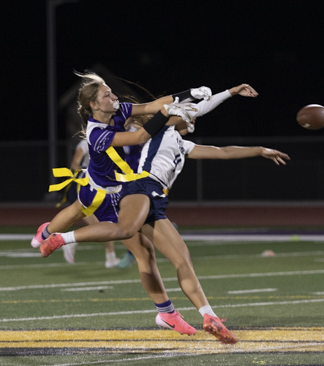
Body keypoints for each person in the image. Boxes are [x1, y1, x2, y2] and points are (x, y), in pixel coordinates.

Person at [42, 82, 288, 344]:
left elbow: (222, 152)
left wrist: (260, 149)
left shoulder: (181, 144)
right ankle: (60, 238)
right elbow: (188, 110)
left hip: (156, 199)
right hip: (138, 188)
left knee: (181, 258)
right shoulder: (157, 130)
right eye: (185, 116)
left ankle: (209, 316)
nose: (191, 120)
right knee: (125, 231)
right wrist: (220, 96)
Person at [35, 71, 207, 335]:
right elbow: (140, 137)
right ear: (94, 104)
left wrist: (190, 93)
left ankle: (167, 314)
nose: (114, 96)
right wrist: (168, 111)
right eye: (107, 94)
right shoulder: (96, 133)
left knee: (144, 253)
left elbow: (151, 105)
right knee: (86, 214)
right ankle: (51, 236)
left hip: (122, 189)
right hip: (103, 193)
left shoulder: (119, 111)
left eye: (112, 92)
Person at [59, 138, 120, 268]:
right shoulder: (87, 142)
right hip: (88, 187)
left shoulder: (109, 141)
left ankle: (110, 257)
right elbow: (75, 163)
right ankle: (70, 240)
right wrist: (86, 176)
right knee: (103, 225)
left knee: (108, 223)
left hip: (102, 187)